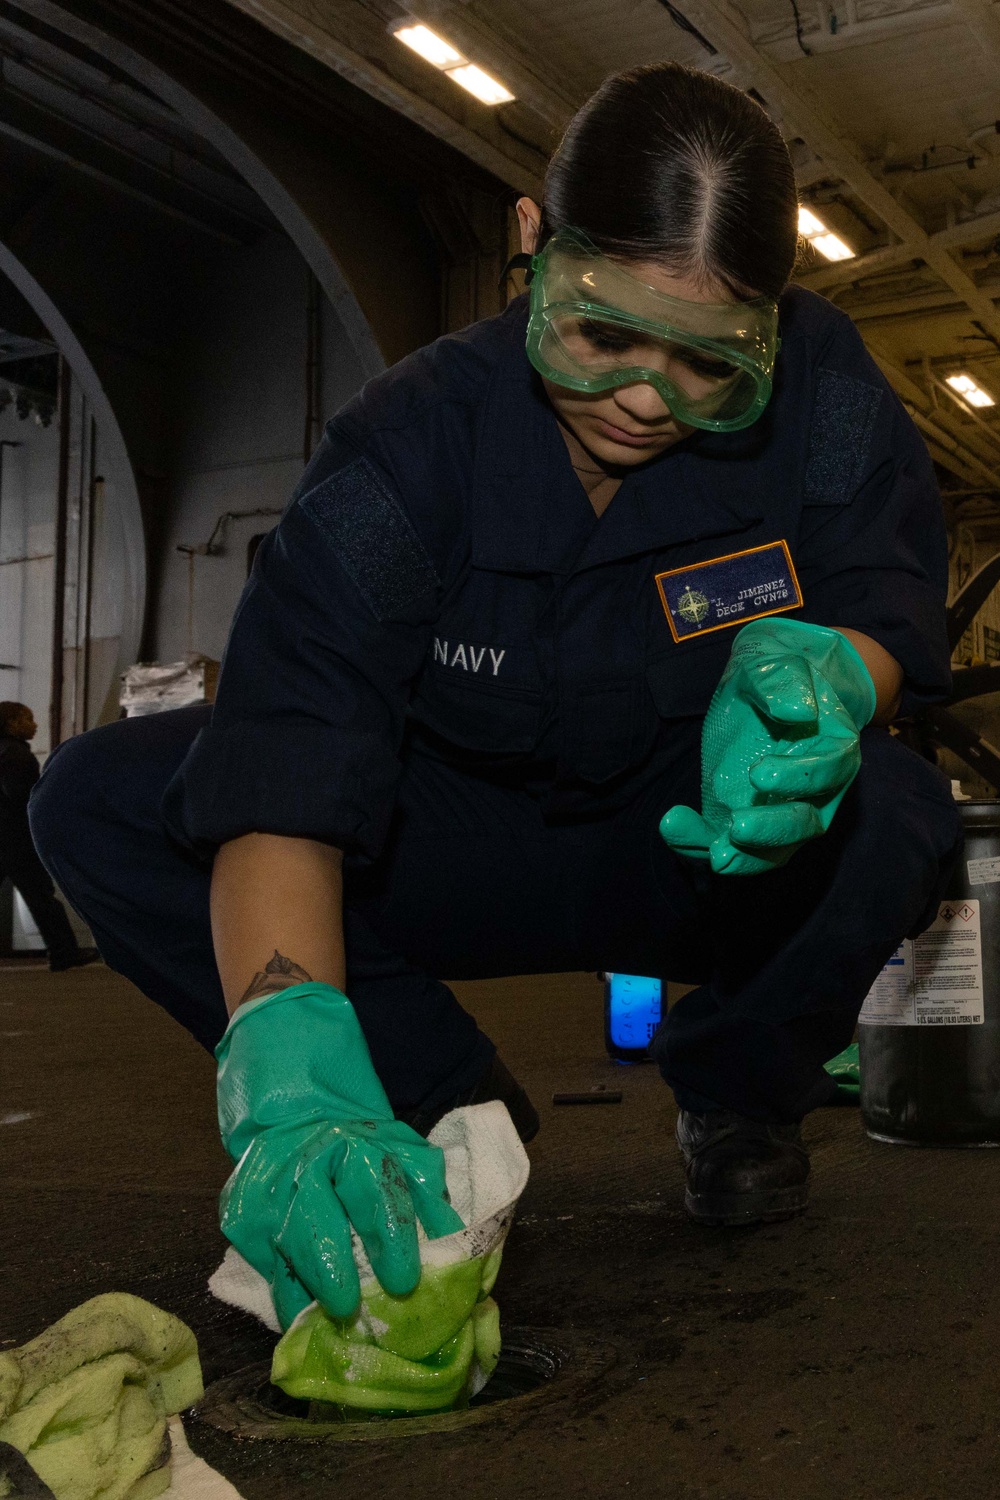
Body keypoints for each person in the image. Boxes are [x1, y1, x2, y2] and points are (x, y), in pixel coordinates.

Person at [30, 64, 960, 1330]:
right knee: (101, 797)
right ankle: (440, 1102)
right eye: (602, 333)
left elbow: (886, 595)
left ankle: (740, 1088)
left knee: (901, 807)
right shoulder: (410, 443)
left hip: (696, 846)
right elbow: (287, 757)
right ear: (532, 245)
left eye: (709, 367)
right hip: (437, 842)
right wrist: (288, 1042)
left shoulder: (826, 391)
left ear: (772, 326)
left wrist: (835, 682)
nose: (644, 397)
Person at [0, 702, 97, 971]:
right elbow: (21, 796)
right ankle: (64, 952)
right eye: (28, 719)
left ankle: (64, 951)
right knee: (41, 898)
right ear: (12, 723)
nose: (35, 724)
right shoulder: (16, 753)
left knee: (40, 897)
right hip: (15, 839)